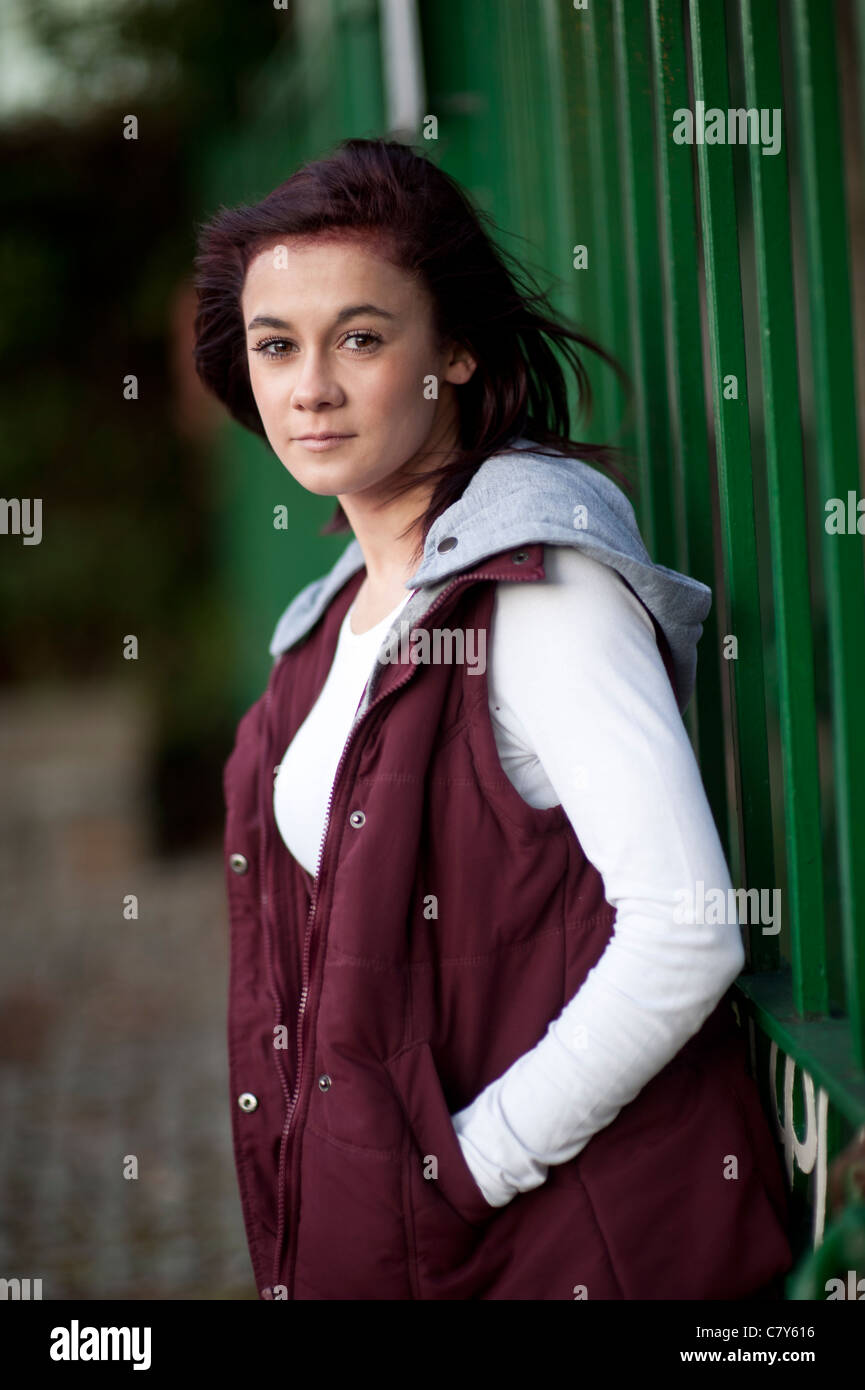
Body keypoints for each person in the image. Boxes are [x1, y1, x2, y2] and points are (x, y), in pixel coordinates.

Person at [192, 137, 793, 1300]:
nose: (309, 384)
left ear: (455, 350)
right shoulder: (325, 629)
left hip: (562, 1245)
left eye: (360, 338)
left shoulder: (541, 595)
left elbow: (686, 930)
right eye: (277, 345)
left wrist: (466, 1165)